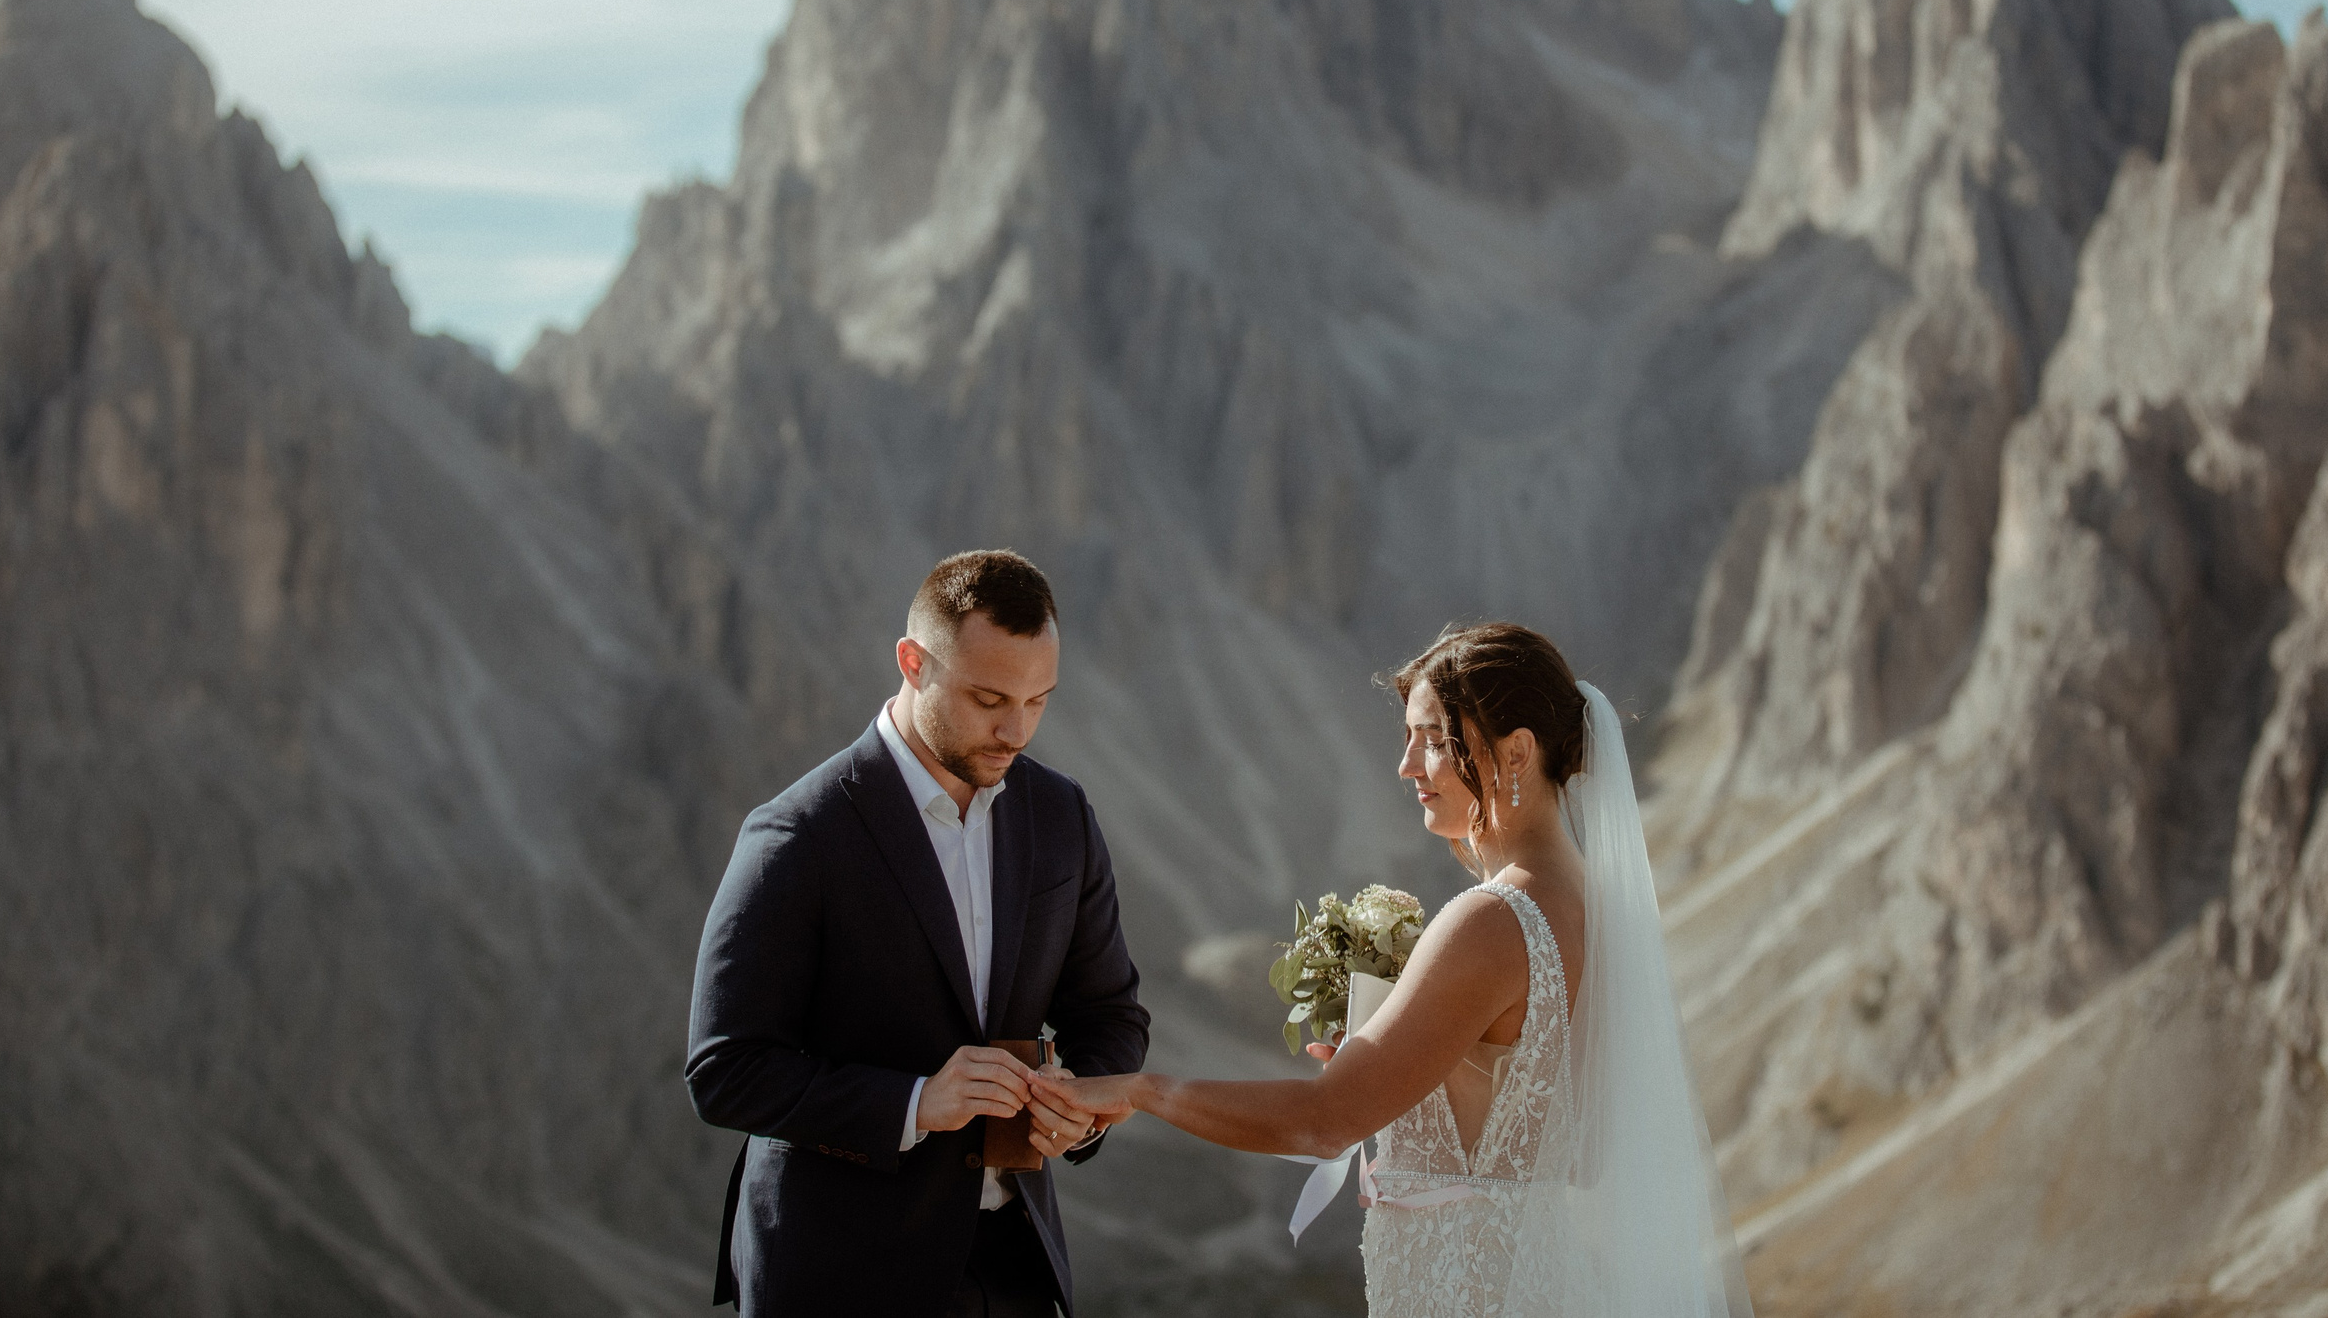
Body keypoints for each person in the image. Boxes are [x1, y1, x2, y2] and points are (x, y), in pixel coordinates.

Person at [1033, 622, 1750, 1317]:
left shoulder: (1491, 921)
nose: (1407, 765)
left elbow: (1324, 1123)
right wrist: (1415, 1077)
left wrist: (1143, 1089)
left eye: (1433, 740)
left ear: (1516, 752)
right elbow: (1580, 1152)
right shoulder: (1592, 907)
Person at [687, 549, 1150, 1317]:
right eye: (989, 698)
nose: (1016, 730)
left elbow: (1110, 1014)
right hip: (839, 1277)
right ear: (912, 662)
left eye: (1038, 701)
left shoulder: (1061, 816)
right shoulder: (798, 835)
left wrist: (1083, 1102)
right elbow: (724, 1068)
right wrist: (916, 1102)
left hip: (1016, 1269)